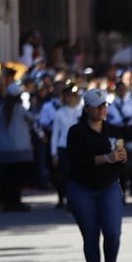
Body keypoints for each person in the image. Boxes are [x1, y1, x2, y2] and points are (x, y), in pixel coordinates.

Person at [65, 88, 128, 262]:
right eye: (98, 105)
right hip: (82, 187)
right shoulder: (76, 132)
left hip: (108, 185)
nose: (102, 109)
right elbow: (77, 160)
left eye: (105, 105)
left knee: (112, 231)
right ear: (87, 107)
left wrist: (121, 157)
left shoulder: (113, 130)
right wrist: (105, 158)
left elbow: (120, 157)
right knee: (90, 234)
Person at [0, 82, 36, 211]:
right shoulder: (20, 109)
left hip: (3, 149)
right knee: (17, 179)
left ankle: (7, 202)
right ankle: (16, 202)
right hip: (19, 150)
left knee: (6, 178)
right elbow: (33, 118)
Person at [49, 80, 82, 209]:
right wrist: (54, 153)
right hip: (64, 146)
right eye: (67, 96)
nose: (70, 99)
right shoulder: (59, 113)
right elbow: (55, 134)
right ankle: (67, 199)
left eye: (72, 96)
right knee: (66, 174)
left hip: (79, 147)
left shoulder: (80, 111)